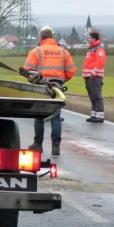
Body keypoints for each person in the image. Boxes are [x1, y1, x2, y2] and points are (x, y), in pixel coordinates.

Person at [22, 26, 76, 155]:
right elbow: (71, 71)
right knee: (55, 117)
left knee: (39, 115)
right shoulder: (63, 52)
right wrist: (61, 81)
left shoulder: (36, 51)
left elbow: (27, 71)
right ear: (52, 37)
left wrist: (33, 81)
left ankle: (38, 144)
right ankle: (56, 146)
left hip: (41, 86)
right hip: (57, 87)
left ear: (41, 37)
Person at [82, 31, 107, 123]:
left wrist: (94, 72)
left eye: (89, 38)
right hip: (89, 76)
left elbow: (101, 62)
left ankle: (100, 116)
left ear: (94, 39)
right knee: (92, 96)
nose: (87, 39)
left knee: (96, 96)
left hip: (95, 76)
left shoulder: (99, 49)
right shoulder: (91, 49)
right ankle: (94, 114)